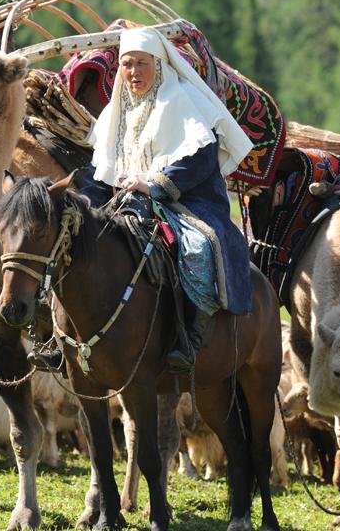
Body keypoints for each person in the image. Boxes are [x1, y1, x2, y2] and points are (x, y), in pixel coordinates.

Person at [29, 26, 254, 373]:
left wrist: (155, 186)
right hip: (126, 201)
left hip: (184, 202)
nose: (133, 72)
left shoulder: (181, 100)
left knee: (197, 247)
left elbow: (201, 158)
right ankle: (62, 339)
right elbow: (102, 170)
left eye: (141, 64)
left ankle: (190, 336)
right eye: (127, 65)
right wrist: (83, 202)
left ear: (159, 65)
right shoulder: (117, 110)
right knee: (69, 243)